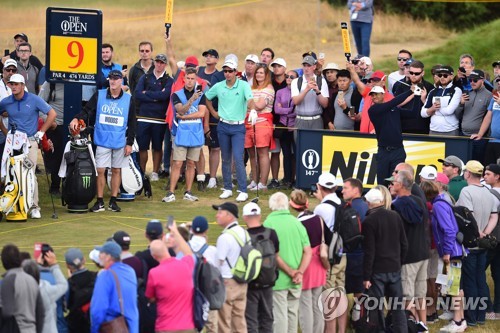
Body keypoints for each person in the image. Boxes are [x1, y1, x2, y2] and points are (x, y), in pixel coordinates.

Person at [70, 69, 136, 213]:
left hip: (120, 140)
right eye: (111, 78)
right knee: (100, 170)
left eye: (116, 79)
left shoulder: (128, 99)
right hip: (102, 139)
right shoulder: (100, 95)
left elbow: (132, 122)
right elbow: (87, 110)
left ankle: (113, 201)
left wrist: (129, 143)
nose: (113, 81)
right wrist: (76, 117)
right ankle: (99, 201)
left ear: (121, 81)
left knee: (116, 170)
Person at [0, 73, 57, 219]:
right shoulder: (6, 101)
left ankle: (34, 206)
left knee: (29, 174)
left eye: (16, 84)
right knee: (13, 174)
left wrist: (41, 132)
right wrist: (4, 130)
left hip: (30, 141)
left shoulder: (34, 99)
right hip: (13, 142)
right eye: (11, 84)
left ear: (23, 86)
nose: (13, 86)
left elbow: (52, 114)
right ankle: (15, 205)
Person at [205, 58, 256, 202]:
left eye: (230, 71)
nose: (227, 74)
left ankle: (242, 190)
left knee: (238, 159)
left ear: (235, 72)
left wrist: (252, 110)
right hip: (223, 126)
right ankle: (227, 188)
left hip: (238, 127)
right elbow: (207, 98)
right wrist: (214, 114)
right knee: (225, 158)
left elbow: (250, 100)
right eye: (225, 71)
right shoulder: (219, 86)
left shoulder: (243, 85)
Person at [421, 180, 468, 332]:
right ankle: (459, 320)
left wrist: (447, 252)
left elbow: (449, 230)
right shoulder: (441, 203)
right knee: (456, 288)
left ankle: (458, 321)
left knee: (454, 288)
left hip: (452, 253)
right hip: (453, 251)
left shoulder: (439, 206)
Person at [457, 160, 498, 326]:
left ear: (467, 173)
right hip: (482, 243)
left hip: (470, 243)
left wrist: (478, 232)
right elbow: (495, 215)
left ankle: (472, 318)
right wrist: (486, 233)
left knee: (470, 280)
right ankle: (481, 316)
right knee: (480, 278)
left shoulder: (466, 191)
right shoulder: (489, 192)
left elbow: (468, 216)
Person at [263, 192, 312, 333]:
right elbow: (308, 251)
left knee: (279, 316)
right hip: (296, 278)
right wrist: (299, 272)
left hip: (279, 279)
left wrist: (292, 272)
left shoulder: (269, 223)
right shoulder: (297, 223)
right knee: (292, 314)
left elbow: (271, 253)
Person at [362, 188, 408, 332]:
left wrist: (366, 276)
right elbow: (404, 244)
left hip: (378, 270)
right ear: (381, 201)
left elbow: (370, 251)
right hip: (394, 267)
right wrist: (399, 262)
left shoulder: (369, 221)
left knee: (377, 306)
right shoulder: (395, 216)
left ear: (368, 203)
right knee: (397, 307)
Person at [389, 170, 430, 328]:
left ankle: (410, 326)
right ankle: (423, 325)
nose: (391, 184)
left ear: (401, 185)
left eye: (393, 182)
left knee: (407, 295)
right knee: (421, 294)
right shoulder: (419, 201)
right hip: (423, 253)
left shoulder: (396, 205)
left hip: (409, 257)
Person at [162, 67, 206, 202]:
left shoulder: (201, 95)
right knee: (178, 163)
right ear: (184, 78)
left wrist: (185, 117)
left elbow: (201, 113)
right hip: (180, 133)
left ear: (196, 80)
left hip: (195, 133)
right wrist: (192, 100)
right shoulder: (176, 94)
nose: (190, 81)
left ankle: (188, 191)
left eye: (193, 79)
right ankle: (171, 193)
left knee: (191, 163)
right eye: (188, 78)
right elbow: (180, 110)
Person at [289, 189, 327, 333]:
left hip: (306, 265)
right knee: (317, 304)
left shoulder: (297, 224)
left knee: (305, 305)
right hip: (319, 264)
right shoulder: (318, 218)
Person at [146, 228, 196, 332]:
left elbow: (150, 297)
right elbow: (188, 253)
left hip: (166, 326)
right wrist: (175, 231)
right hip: (188, 326)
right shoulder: (185, 265)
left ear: (154, 256)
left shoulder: (154, 273)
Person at [134, 53, 172, 181]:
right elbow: (138, 94)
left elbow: (165, 96)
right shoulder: (145, 77)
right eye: (157, 62)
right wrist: (155, 96)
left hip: (159, 119)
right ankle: (142, 171)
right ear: (154, 62)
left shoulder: (168, 80)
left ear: (165, 64)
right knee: (142, 146)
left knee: (157, 146)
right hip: (143, 117)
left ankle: (155, 172)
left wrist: (148, 94)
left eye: (162, 62)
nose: (159, 64)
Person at [213, 202, 249, 333]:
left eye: (220, 213)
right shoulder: (244, 232)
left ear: (229, 216)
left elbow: (218, 263)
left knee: (223, 323)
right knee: (239, 320)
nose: (217, 216)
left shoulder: (225, 237)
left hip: (227, 282)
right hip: (242, 281)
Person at [243, 202, 279, 333]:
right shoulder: (271, 234)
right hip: (268, 282)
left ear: (244, 217)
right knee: (267, 318)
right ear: (259, 215)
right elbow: (276, 257)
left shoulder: (244, 236)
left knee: (251, 321)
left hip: (251, 285)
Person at [367, 84, 414, 185]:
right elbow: (392, 103)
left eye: (376, 94)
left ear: (383, 95)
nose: (374, 97)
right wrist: (410, 92)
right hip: (384, 151)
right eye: (372, 95)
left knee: (396, 181)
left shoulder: (395, 109)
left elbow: (413, 114)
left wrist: (418, 97)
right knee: (382, 182)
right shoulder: (373, 110)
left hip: (398, 150)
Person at [90, 241, 139, 333]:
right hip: (132, 327)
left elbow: (98, 309)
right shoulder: (130, 271)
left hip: (114, 327)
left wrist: (94, 329)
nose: (99, 256)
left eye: (101, 253)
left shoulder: (105, 276)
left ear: (108, 257)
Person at [0, 244, 45, 333]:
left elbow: (7, 312)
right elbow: (40, 312)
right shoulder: (31, 280)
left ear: (4, 262)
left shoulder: (8, 280)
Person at [23, 250, 68, 333]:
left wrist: (37, 265)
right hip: (57, 326)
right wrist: (54, 264)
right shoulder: (47, 285)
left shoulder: (20, 289)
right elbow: (64, 287)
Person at [246, 64, 275, 191]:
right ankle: (254, 180)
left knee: (262, 153)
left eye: (261, 73)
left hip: (263, 122)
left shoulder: (268, 89)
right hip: (249, 122)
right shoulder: (251, 87)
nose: (258, 75)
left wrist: (249, 102)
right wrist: (251, 103)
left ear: (266, 75)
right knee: (251, 152)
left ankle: (263, 183)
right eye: (257, 72)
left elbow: (259, 106)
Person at [189, 216, 219, 333]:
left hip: (190, 292)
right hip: (207, 293)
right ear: (206, 230)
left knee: (193, 325)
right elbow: (217, 271)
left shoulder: (185, 247)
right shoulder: (212, 250)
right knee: (212, 325)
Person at [456, 70, 492, 162]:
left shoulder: (489, 96)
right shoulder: (468, 93)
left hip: (479, 138)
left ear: (482, 80)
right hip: (464, 136)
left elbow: (490, 117)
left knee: (476, 166)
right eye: (470, 80)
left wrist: (481, 134)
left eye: (475, 80)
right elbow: (457, 115)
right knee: (462, 164)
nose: (472, 82)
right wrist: (461, 104)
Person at [342, 178, 369, 297]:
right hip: (365, 255)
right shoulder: (367, 206)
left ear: (356, 190)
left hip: (353, 255)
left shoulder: (351, 208)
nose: (342, 191)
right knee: (360, 292)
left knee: (356, 292)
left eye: (345, 188)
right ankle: (359, 314)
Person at [291, 55, 329, 138]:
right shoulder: (296, 82)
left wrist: (317, 92)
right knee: (300, 148)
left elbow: (325, 104)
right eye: (304, 66)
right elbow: (296, 101)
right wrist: (306, 89)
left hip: (316, 120)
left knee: (316, 148)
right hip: (300, 120)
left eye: (309, 66)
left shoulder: (321, 81)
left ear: (314, 67)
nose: (306, 68)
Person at [393, 60, 434, 135]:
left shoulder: (429, 87)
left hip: (423, 127)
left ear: (423, 73)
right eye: (411, 73)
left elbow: (433, 109)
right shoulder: (402, 85)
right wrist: (413, 94)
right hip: (404, 127)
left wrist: (423, 99)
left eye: (417, 73)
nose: (413, 75)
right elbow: (396, 104)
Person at [38, 81, 65, 195]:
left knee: (70, 156)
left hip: (71, 125)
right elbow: (39, 106)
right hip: (55, 125)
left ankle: (70, 186)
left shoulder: (76, 81)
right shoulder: (50, 83)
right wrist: (49, 121)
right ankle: (55, 186)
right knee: (56, 156)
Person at [421, 66, 462, 136]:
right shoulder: (432, 91)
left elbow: (449, 111)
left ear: (451, 76)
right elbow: (423, 113)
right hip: (433, 130)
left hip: (451, 130)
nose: (442, 77)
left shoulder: (456, 90)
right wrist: (432, 109)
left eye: (445, 75)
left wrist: (433, 112)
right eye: (440, 75)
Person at [65, 248, 97, 333]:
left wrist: (71, 279)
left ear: (67, 266)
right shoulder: (97, 277)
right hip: (95, 323)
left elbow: (66, 305)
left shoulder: (69, 284)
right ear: (84, 260)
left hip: (76, 326)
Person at [274, 70, 297, 187]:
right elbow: (277, 110)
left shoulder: (299, 92)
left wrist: (284, 109)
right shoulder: (280, 92)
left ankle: (296, 179)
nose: (288, 78)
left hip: (295, 127)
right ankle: (287, 179)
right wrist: (289, 110)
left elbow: (296, 112)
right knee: (286, 154)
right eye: (287, 76)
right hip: (283, 127)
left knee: (296, 154)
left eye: (292, 77)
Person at [483, 163, 500, 320]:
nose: (484, 176)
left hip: (491, 239)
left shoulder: (490, 194)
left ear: (497, 176)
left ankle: (488, 308)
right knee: (497, 274)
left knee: (479, 272)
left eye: (488, 174)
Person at [268, 57, 288, 189]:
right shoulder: (270, 83)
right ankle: (274, 179)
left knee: (288, 153)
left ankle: (288, 179)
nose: (276, 68)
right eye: (274, 66)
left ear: (284, 69)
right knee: (274, 152)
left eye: (279, 66)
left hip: (288, 122)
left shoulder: (290, 82)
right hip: (273, 122)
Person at [471, 90, 500, 165]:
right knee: (488, 169)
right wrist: (480, 134)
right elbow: (488, 117)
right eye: (498, 81)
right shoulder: (495, 97)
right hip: (492, 140)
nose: (499, 83)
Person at [128, 41, 154, 109]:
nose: (144, 53)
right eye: (142, 51)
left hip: (154, 107)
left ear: (151, 52)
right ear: (139, 52)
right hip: (138, 108)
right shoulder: (133, 70)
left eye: (147, 51)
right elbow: (132, 89)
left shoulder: (158, 68)